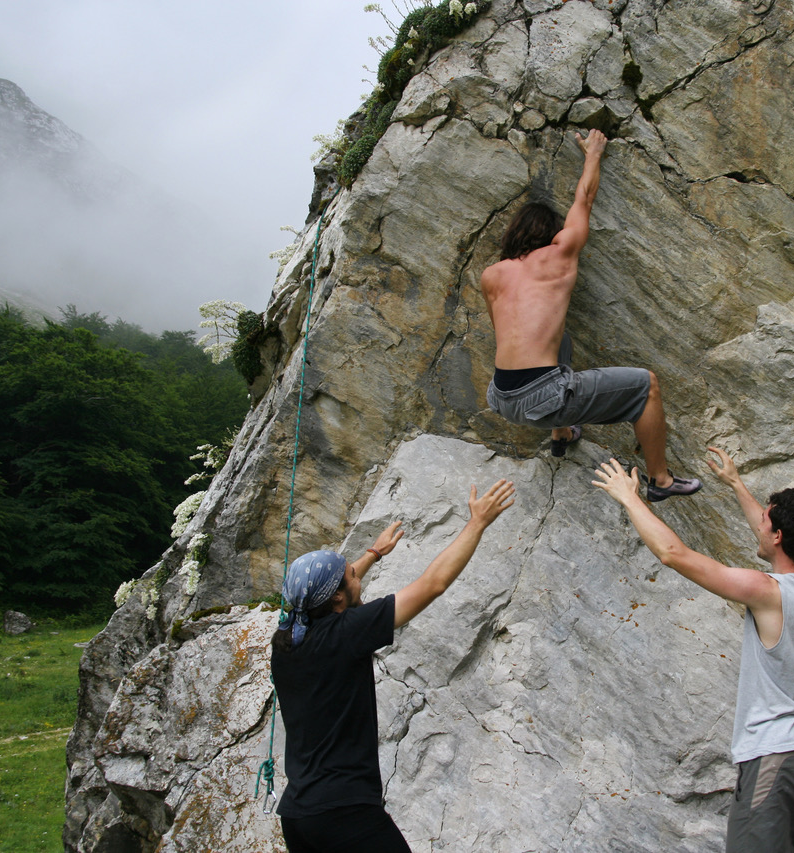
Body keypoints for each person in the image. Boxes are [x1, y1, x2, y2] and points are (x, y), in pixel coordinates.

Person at [591, 449, 794, 853]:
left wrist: (629, 498)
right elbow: (778, 536)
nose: (760, 523)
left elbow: (675, 555)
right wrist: (736, 484)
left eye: (765, 520)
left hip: (774, 758)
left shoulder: (768, 592)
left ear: (776, 535)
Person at [270, 479, 516, 853]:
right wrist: (476, 523)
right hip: (345, 815)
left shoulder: (287, 638)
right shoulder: (347, 632)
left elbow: (332, 590)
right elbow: (432, 585)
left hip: (298, 819)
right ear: (337, 597)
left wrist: (373, 553)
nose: (357, 573)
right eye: (352, 574)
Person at [481, 127, 701, 502]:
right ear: (551, 236)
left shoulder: (492, 275)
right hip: (544, 398)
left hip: (501, 396)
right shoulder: (559, 253)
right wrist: (593, 152)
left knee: (560, 340)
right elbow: (584, 198)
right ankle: (661, 481)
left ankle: (561, 435)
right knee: (647, 386)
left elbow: (507, 333)